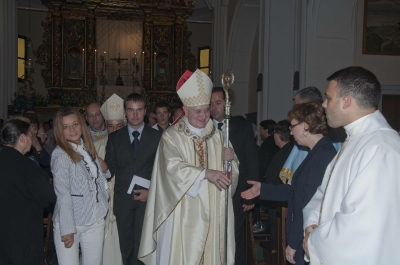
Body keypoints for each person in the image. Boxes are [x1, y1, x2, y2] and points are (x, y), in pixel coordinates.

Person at [138, 69, 239, 265]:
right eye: (198, 111)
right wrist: (205, 173)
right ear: (185, 110)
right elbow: (171, 169)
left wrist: (230, 160)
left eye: (207, 110)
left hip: (214, 210)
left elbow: (230, 174)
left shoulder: (218, 136)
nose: (204, 116)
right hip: (182, 213)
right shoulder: (172, 136)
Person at [303, 67, 400, 264]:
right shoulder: (356, 139)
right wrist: (311, 223)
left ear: (346, 101)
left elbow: (362, 225)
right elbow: (324, 193)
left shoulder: (380, 147)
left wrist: (314, 240)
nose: (323, 104)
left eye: (328, 98)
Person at [241, 102, 337, 265]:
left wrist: (294, 242)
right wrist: (263, 189)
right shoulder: (316, 152)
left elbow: (306, 201)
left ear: (306, 126)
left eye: (293, 126)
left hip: (308, 235)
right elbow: (296, 191)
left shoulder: (323, 155)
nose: (291, 132)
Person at [105, 93, 162, 265]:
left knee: (145, 248)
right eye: (131, 110)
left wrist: (151, 192)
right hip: (124, 202)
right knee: (127, 249)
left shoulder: (158, 137)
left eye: (139, 110)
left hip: (148, 201)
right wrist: (101, 168)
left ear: (145, 111)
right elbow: (109, 171)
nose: (135, 115)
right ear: (125, 112)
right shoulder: (115, 138)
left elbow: (164, 172)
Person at [51, 107, 111, 265]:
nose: (72, 130)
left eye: (75, 124)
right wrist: (67, 229)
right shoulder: (61, 154)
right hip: (71, 222)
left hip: (95, 219)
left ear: (82, 125)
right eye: (66, 126)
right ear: (59, 130)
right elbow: (63, 194)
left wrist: (105, 170)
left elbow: (95, 178)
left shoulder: (86, 148)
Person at [210, 86, 259, 265]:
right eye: (211, 104)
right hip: (212, 193)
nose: (214, 107)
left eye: (218, 103)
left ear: (227, 104)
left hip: (238, 194)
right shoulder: (205, 128)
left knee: (236, 237)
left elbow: (252, 161)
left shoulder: (243, 128)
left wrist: (251, 194)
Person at [0, 119, 56, 265]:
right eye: (31, 136)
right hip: (23, 235)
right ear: (23, 138)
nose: (33, 140)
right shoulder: (26, 166)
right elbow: (47, 196)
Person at [94, 93, 125, 265]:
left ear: (125, 124)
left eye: (119, 126)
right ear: (106, 125)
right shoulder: (96, 146)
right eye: (111, 126)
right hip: (104, 204)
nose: (115, 131)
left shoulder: (132, 146)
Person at [260, 120, 294, 239]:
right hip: (286, 202)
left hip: (278, 203)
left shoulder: (280, 156)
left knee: (279, 237)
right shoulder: (295, 151)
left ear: (278, 135)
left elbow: (271, 179)